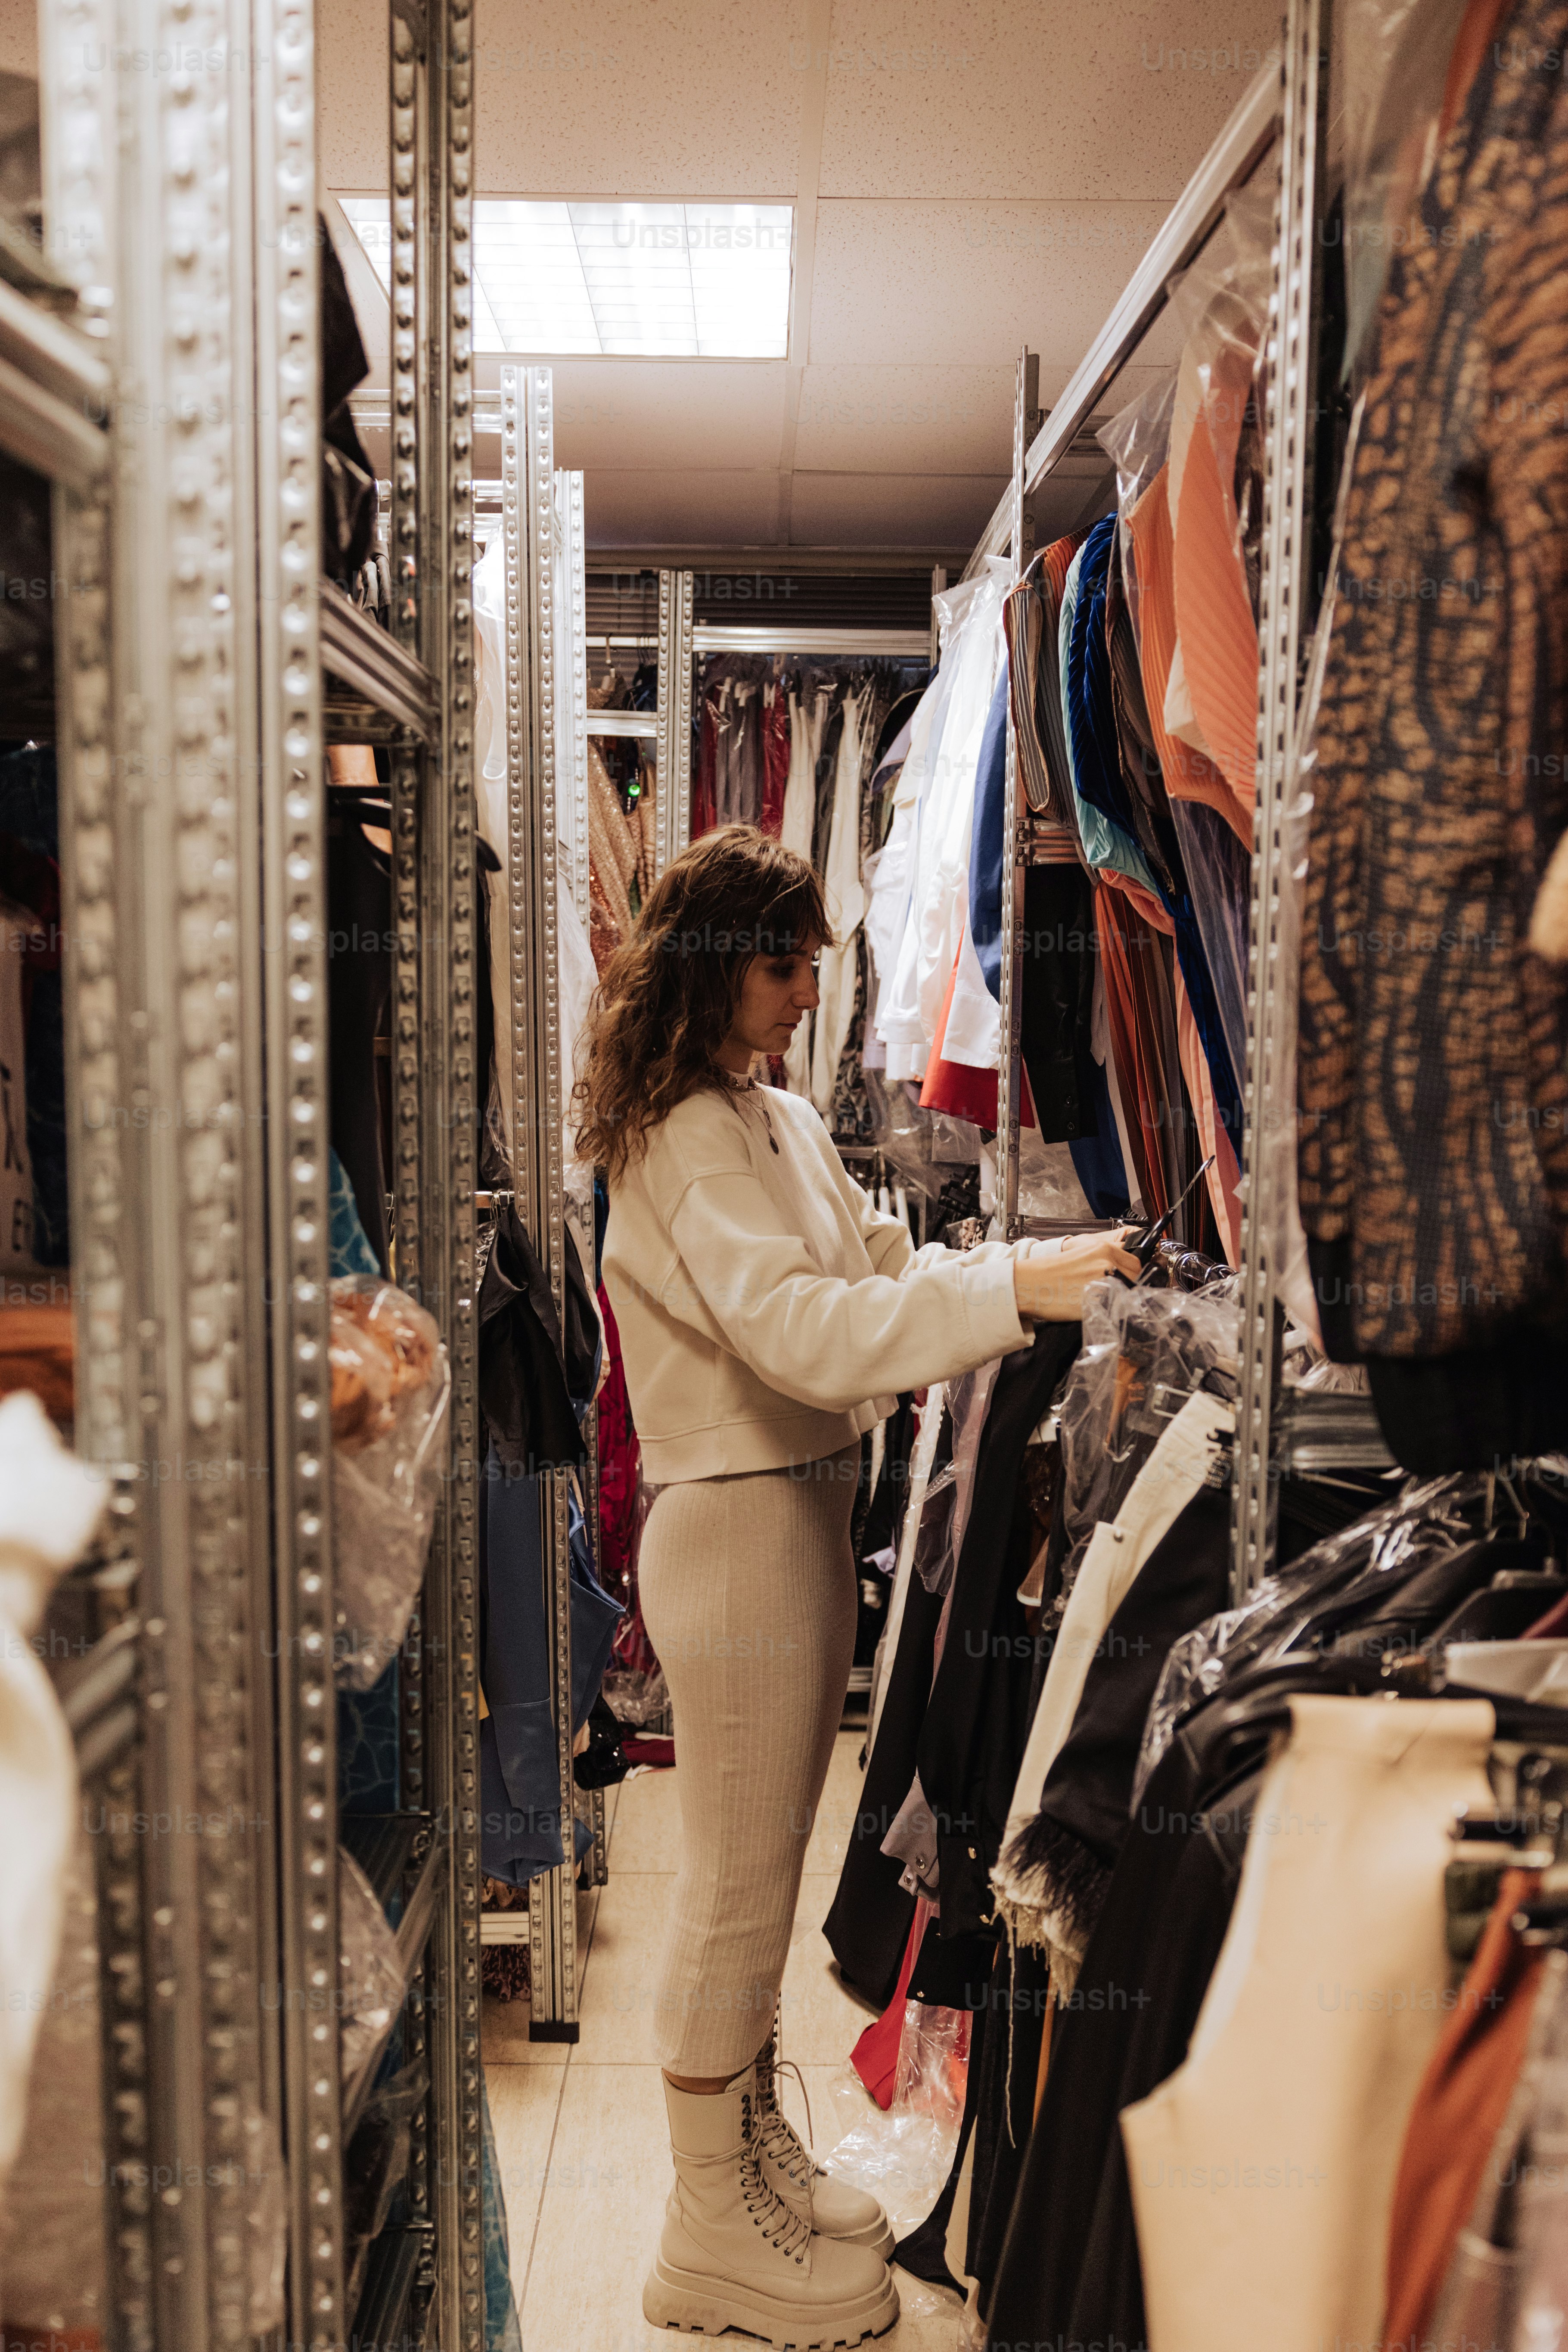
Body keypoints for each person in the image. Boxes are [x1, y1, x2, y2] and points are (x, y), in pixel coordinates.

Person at [574, 825, 1137, 2349]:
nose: (809, 987)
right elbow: (804, 1337)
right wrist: (1010, 1290)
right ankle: (705, 2230)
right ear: (709, 968)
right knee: (735, 1897)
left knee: (746, 1888)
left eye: (816, 958)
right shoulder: (686, 1132)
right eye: (781, 962)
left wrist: (997, 1268)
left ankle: (747, 2162)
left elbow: (866, 1276)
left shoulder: (761, 1118)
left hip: (792, 1513)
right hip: (743, 1518)